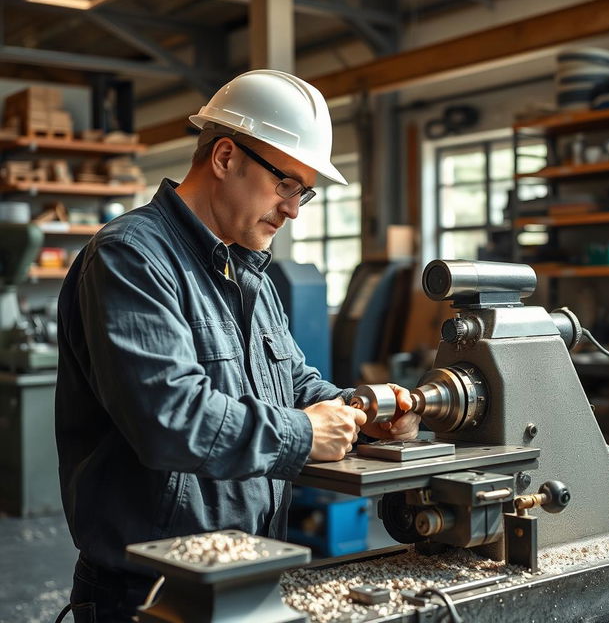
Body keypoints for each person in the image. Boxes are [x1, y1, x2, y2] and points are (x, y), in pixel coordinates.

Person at [55, 69, 420, 622]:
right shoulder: (130, 258)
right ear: (225, 157)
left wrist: (360, 409)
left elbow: (292, 382)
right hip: (148, 592)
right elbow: (169, 418)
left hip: (247, 567)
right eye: (286, 184)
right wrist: (304, 432)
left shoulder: (248, 272)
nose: (295, 208)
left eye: (304, 191)